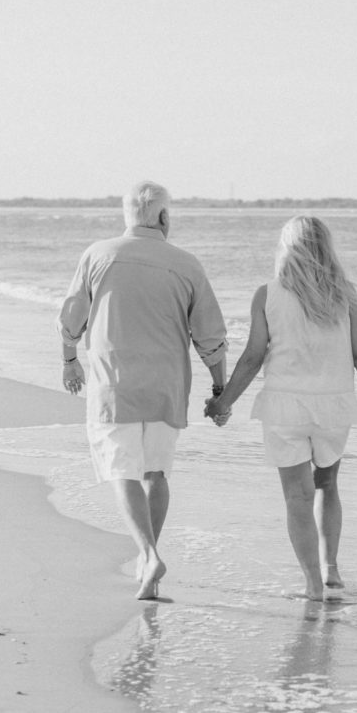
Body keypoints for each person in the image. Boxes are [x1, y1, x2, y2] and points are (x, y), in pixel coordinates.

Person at [58, 181, 227, 600]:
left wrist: (69, 359)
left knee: (123, 472)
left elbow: (71, 318)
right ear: (165, 217)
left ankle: (148, 555)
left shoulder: (99, 254)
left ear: (127, 216)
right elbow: (210, 336)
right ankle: (145, 562)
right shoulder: (187, 264)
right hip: (167, 388)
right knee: (156, 473)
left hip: (115, 386)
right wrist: (221, 387)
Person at [204, 215, 357, 602]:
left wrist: (224, 403)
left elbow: (253, 357)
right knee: (327, 485)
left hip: (285, 408)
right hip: (334, 407)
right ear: (326, 249)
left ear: (286, 249)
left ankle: (312, 585)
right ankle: (331, 568)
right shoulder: (345, 294)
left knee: (297, 497)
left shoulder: (267, 294)